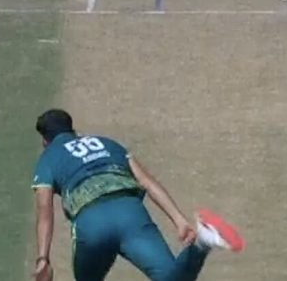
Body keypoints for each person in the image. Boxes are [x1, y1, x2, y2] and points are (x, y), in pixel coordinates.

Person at [29, 109, 244, 281]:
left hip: (92, 222)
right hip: (131, 214)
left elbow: (45, 211)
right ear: (73, 130)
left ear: (45, 141)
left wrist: (43, 259)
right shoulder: (107, 143)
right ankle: (202, 243)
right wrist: (178, 220)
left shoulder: (48, 157)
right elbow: (147, 182)